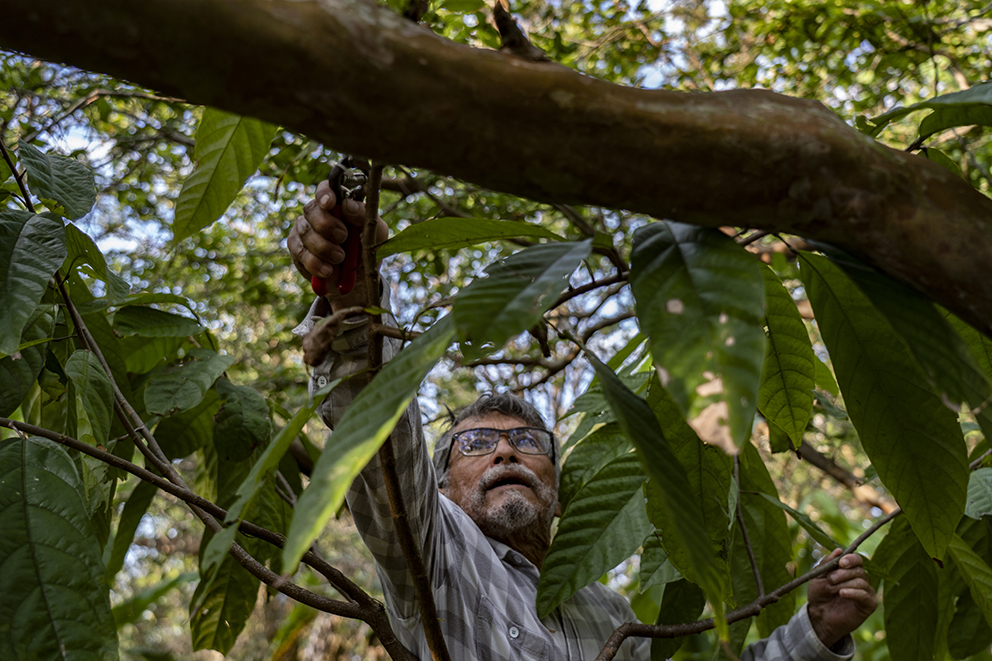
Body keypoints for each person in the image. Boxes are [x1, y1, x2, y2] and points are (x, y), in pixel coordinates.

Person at [289, 181, 878, 660]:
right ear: (441, 484)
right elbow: (385, 448)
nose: (504, 453)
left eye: (526, 441)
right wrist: (354, 302)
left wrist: (816, 629)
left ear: (559, 483)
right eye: (476, 443)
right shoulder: (435, 549)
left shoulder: (609, 613)